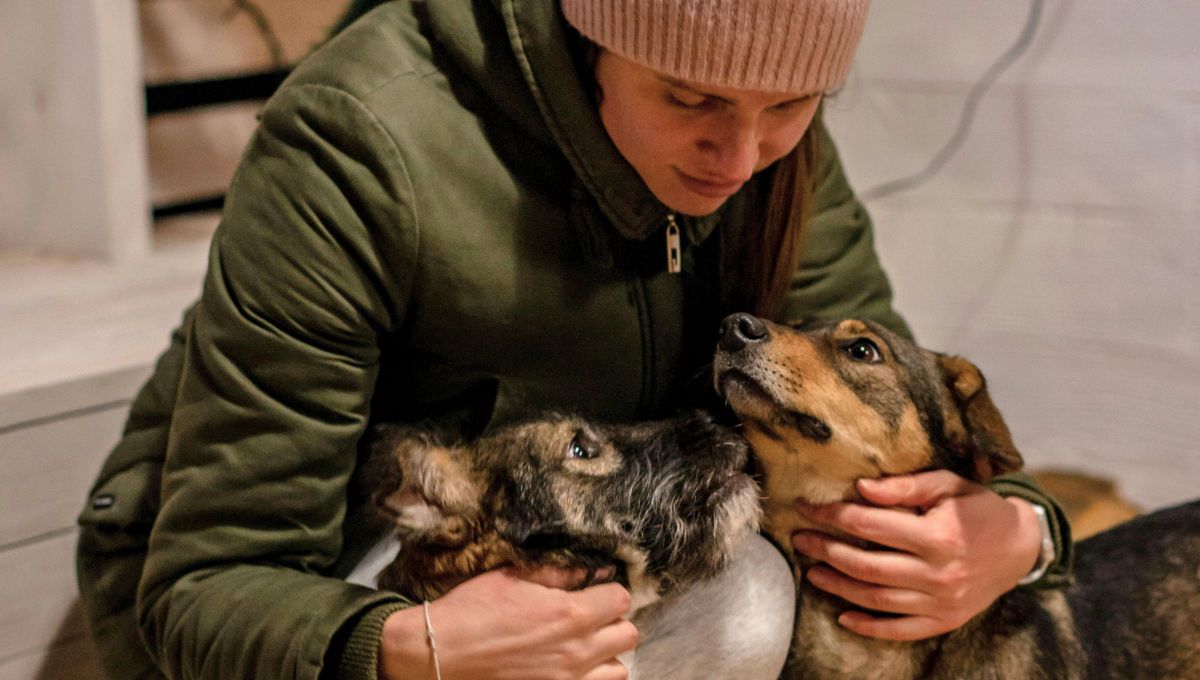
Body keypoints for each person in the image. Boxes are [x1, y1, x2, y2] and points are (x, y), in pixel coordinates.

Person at [76, 1, 1073, 679]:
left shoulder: (762, 137)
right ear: (587, 32)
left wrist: (1019, 529)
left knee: (758, 592)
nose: (741, 155)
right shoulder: (360, 139)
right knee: (750, 603)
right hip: (326, 586)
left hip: (592, 532)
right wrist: (410, 642)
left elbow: (879, 391)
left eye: (790, 109)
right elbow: (202, 580)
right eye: (691, 99)